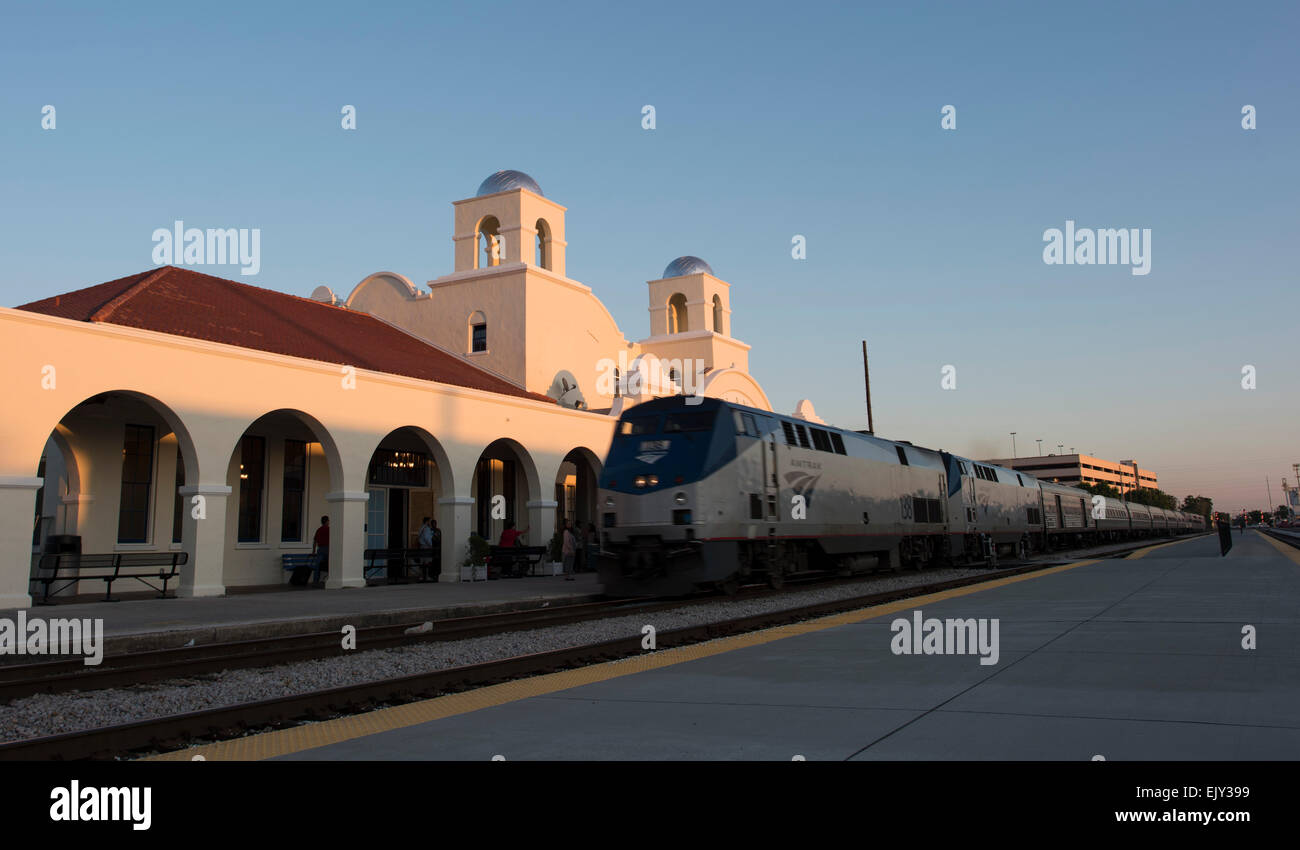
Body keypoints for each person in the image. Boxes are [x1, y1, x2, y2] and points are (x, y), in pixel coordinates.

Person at [297, 515, 329, 586]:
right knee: (331, 564)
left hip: (320, 549)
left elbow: (315, 541)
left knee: (317, 565)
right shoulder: (329, 530)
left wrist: (314, 550)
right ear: (327, 522)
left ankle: (315, 581)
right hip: (328, 549)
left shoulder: (319, 530)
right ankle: (328, 578)